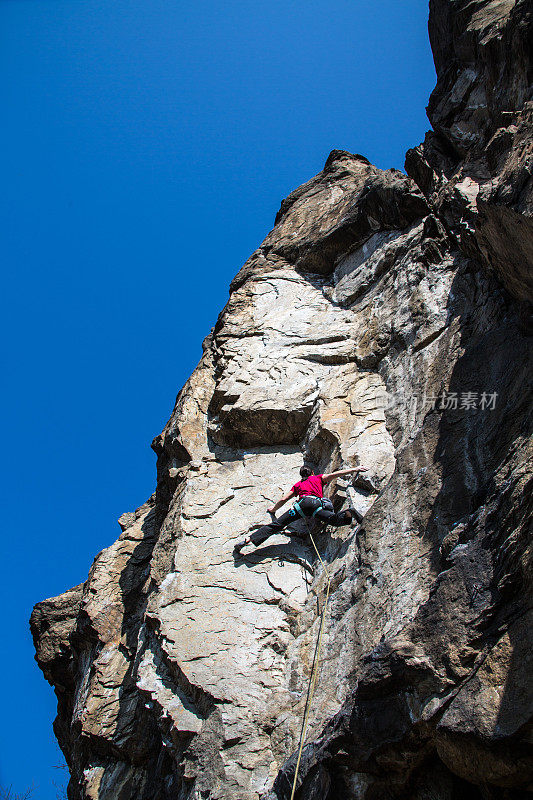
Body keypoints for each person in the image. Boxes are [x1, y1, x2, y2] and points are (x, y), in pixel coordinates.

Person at [233, 465, 368, 554]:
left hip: (301, 507)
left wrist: (273, 510)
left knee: (277, 525)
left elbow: (284, 499)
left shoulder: (298, 485)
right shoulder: (318, 478)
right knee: (334, 520)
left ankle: (248, 540)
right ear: (312, 472)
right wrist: (355, 469)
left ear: (301, 475)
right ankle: (349, 511)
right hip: (316, 506)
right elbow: (336, 474)